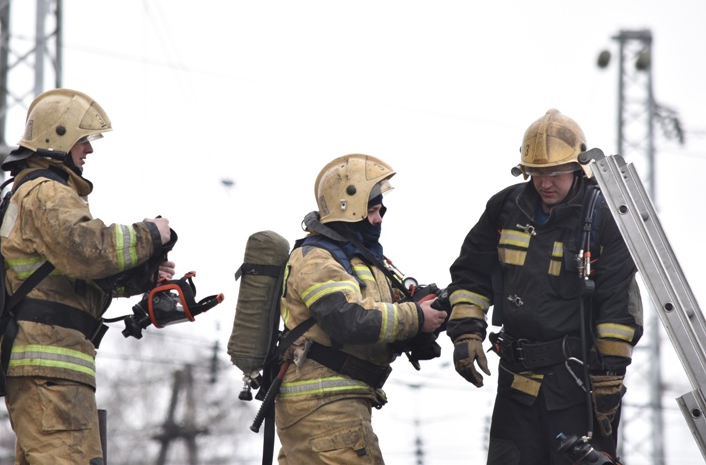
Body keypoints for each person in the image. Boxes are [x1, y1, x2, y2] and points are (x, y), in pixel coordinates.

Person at [445, 109, 644, 464]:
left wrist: (609, 376)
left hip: (576, 387)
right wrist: (467, 331)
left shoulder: (604, 217)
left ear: (578, 169)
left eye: (555, 173)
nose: (545, 183)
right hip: (515, 384)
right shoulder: (506, 208)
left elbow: (616, 301)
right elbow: (471, 273)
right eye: (536, 173)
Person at [0, 88, 175, 464]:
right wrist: (150, 235)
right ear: (57, 137)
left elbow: (70, 278)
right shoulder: (47, 192)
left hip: (48, 371)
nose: (88, 150)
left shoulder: (33, 193)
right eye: (83, 140)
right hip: (50, 373)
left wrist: (142, 277)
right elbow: (85, 249)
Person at [275, 153, 447, 464]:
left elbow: (380, 315)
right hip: (325, 411)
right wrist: (416, 316)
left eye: (381, 210)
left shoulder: (360, 260)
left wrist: (427, 315)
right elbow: (348, 320)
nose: (378, 219)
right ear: (348, 210)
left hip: (330, 408)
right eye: (371, 210)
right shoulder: (316, 258)